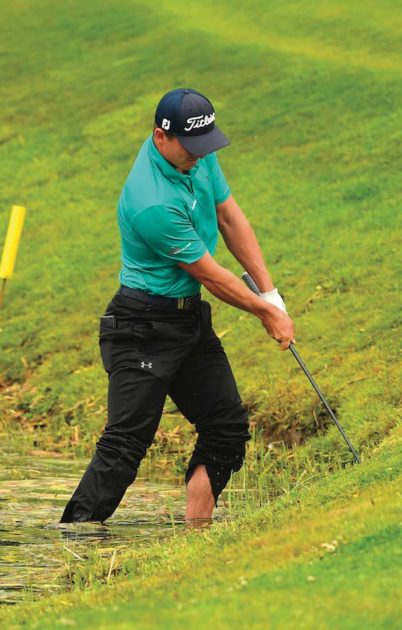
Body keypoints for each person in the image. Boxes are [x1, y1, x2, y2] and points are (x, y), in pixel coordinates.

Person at [60, 88, 294, 524]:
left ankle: (196, 532)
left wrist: (270, 293)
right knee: (126, 445)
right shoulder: (151, 201)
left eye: (204, 146)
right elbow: (208, 273)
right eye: (191, 147)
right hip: (139, 327)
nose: (200, 156)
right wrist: (265, 314)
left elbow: (229, 217)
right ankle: (75, 541)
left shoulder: (195, 153)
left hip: (187, 322)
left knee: (226, 430)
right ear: (160, 137)